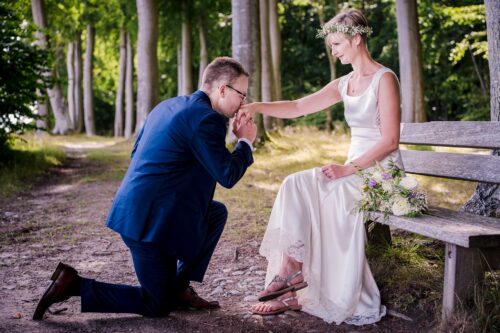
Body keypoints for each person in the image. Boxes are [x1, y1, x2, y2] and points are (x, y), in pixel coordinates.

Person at [33, 57, 257, 320]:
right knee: (156, 304)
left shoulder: (169, 105)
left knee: (215, 213)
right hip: (147, 225)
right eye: (241, 94)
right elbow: (227, 175)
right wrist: (245, 142)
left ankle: (179, 288)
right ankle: (73, 285)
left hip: (142, 210)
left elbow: (136, 152)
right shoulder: (205, 119)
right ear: (222, 89)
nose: (243, 102)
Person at [241, 9, 402, 325]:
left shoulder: (385, 79)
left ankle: (295, 288)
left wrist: (349, 169)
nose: (334, 51)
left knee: (333, 191)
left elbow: (391, 140)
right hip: (354, 171)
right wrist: (255, 106)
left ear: (356, 39)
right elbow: (299, 106)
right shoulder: (345, 83)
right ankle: (291, 274)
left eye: (338, 44)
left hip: (380, 174)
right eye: (331, 45)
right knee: (294, 183)